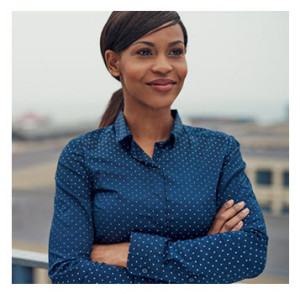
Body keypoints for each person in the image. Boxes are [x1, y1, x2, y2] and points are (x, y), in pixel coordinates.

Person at [48, 11, 268, 284]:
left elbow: (251, 252)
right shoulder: (81, 156)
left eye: (176, 51)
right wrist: (205, 254)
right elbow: (68, 273)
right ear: (114, 63)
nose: (164, 65)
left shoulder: (220, 151)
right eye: (144, 52)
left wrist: (132, 254)